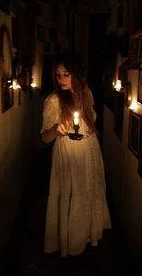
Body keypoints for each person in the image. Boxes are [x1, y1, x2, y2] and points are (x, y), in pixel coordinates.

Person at [41, 51, 112, 258]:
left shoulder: (86, 93)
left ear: (76, 74)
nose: (61, 79)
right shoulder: (53, 101)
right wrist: (56, 129)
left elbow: (90, 123)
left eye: (66, 74)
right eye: (58, 75)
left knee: (89, 190)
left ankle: (88, 235)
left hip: (89, 150)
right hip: (68, 153)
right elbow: (45, 137)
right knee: (71, 195)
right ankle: (71, 243)